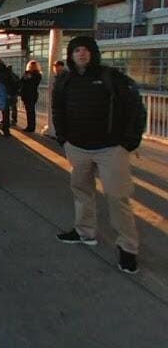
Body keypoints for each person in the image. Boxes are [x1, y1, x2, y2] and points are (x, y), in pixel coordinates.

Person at [52, 36, 145, 274]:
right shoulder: (65, 81)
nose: (81, 54)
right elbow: (58, 110)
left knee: (117, 197)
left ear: (93, 53)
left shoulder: (111, 77)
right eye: (76, 50)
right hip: (78, 147)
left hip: (111, 149)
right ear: (71, 55)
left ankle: (128, 247)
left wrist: (128, 143)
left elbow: (136, 109)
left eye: (86, 50)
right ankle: (85, 232)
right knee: (81, 191)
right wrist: (64, 139)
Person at [0, 58, 16, 137]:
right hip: (5, 94)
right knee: (6, 113)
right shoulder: (7, 71)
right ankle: (6, 131)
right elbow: (12, 83)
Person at [19, 60, 42, 132]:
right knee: (30, 111)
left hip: (30, 94)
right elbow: (22, 81)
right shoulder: (37, 74)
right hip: (31, 94)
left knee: (30, 111)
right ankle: (31, 126)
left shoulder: (36, 74)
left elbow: (31, 83)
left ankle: (31, 127)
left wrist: (27, 78)